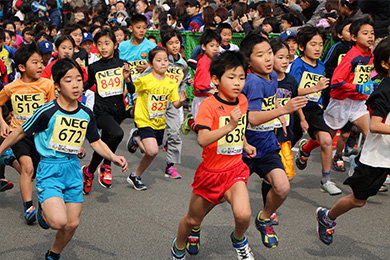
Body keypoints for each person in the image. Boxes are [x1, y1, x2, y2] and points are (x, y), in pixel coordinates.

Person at [0, 58, 128, 259]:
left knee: (72, 223)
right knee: (58, 222)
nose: (76, 85)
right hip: (50, 168)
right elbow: (19, 132)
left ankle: (53, 254)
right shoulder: (46, 111)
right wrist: (0, 150)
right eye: (68, 80)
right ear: (57, 86)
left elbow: (95, 142)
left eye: (78, 79)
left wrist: (113, 156)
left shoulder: (86, 113)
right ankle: (44, 208)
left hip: (72, 169)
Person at [171, 51, 256, 260]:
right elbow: (203, 139)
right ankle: (178, 247)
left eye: (242, 77)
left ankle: (238, 240)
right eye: (231, 77)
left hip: (234, 170)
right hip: (211, 173)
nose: (237, 83)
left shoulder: (242, 100)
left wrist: (244, 144)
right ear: (216, 80)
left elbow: (240, 127)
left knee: (244, 214)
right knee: (192, 220)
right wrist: (230, 125)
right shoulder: (208, 105)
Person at [315, 37, 390, 246]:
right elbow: (374, 125)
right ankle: (327, 216)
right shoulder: (384, 91)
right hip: (377, 157)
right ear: (385, 63)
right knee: (358, 200)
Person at [240, 34, 307, 248]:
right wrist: (283, 109)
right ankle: (195, 223)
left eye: (270, 52)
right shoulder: (251, 81)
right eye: (261, 55)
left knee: (282, 187)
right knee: (222, 197)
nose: (268, 58)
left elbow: (272, 101)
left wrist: (279, 114)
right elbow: (252, 117)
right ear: (248, 61)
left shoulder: (273, 77)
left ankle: (265, 217)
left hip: (267, 144)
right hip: (243, 148)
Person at [0, 42, 56, 224]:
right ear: (22, 67)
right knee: (28, 167)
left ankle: (8, 160)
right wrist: (2, 123)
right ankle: (29, 207)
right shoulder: (11, 87)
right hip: (19, 133)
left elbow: (54, 110)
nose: (40, 66)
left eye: (41, 62)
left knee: (33, 174)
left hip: (40, 136)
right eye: (35, 62)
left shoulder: (47, 84)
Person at [128, 29, 189, 179]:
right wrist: (135, 98)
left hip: (172, 101)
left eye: (177, 42)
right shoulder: (159, 59)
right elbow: (141, 81)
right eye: (170, 43)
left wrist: (181, 98)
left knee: (175, 133)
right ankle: (138, 136)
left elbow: (183, 82)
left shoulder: (183, 65)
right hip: (152, 106)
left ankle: (170, 166)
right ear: (165, 45)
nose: (174, 46)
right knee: (152, 148)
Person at [290, 25, 342, 196]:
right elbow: (293, 91)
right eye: (313, 44)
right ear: (302, 47)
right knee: (286, 145)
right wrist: (315, 87)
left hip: (313, 110)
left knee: (326, 140)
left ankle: (326, 180)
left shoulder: (321, 65)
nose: (318, 48)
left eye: (320, 44)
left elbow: (319, 90)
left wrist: (319, 100)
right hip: (295, 109)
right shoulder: (297, 65)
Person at [82, 29, 133, 194]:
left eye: (107, 43)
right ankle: (106, 165)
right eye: (99, 44)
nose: (103, 47)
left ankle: (89, 172)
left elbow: (131, 89)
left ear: (115, 45)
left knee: (104, 144)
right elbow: (88, 84)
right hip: (101, 111)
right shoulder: (94, 66)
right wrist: (72, 91)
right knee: (117, 134)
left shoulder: (122, 64)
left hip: (118, 111)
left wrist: (127, 78)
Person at [181, 29, 221, 135]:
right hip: (202, 100)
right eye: (212, 46)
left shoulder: (214, 61)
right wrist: (214, 92)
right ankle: (190, 121)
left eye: (217, 46)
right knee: (203, 130)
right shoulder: (204, 63)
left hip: (211, 98)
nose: (215, 49)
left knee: (212, 129)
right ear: (203, 47)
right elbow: (199, 85)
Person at [118, 14, 157, 83]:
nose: (141, 30)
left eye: (144, 28)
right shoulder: (122, 46)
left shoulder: (152, 46)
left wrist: (149, 68)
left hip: (145, 85)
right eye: (138, 28)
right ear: (131, 28)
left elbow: (159, 67)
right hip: (126, 85)